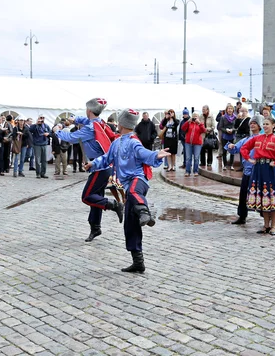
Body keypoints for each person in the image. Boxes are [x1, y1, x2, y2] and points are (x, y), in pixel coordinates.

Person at [85, 109, 170, 273]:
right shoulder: (116, 143)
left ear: (122, 124)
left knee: (132, 192)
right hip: (128, 185)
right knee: (130, 225)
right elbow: (106, 159)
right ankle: (138, 261)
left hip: (138, 181)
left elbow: (143, 153)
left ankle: (146, 212)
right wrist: (93, 164)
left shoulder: (133, 141)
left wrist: (155, 155)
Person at [56, 98, 124, 242]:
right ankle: (95, 228)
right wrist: (75, 120)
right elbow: (85, 121)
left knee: (87, 196)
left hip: (100, 167)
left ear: (89, 110)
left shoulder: (90, 128)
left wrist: (58, 131)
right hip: (102, 166)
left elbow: (71, 138)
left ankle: (114, 205)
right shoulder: (98, 122)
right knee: (95, 197)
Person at [240, 117, 275, 235]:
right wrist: (249, 159)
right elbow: (244, 148)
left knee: (272, 196)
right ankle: (266, 225)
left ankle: (273, 226)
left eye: (267, 124)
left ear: (273, 125)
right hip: (258, 169)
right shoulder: (257, 138)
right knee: (263, 196)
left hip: (270, 169)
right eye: (264, 124)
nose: (265, 126)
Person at [226, 115, 264, 225]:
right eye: (251, 123)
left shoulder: (263, 138)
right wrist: (232, 146)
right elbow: (235, 149)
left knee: (261, 194)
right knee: (243, 195)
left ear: (259, 126)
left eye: (255, 123)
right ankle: (242, 216)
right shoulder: (246, 139)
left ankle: (266, 217)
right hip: (247, 171)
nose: (252, 125)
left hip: (258, 171)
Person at [181, 112, 206, 177]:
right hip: (188, 142)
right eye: (193, 116)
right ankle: (187, 171)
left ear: (198, 117)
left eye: (196, 116)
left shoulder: (200, 123)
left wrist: (199, 123)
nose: (195, 117)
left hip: (197, 143)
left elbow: (204, 130)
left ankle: (195, 171)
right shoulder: (189, 123)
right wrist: (188, 122)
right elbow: (183, 128)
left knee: (196, 157)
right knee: (188, 158)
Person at [29, 114, 51, 179]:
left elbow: (50, 132)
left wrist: (48, 134)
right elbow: (30, 130)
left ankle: (43, 173)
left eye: (43, 118)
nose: (42, 119)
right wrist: (36, 123)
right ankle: (38, 173)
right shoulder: (35, 126)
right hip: (37, 144)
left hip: (44, 144)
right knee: (38, 160)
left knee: (44, 160)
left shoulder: (46, 126)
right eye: (41, 118)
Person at [218, 103, 237, 171]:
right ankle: (225, 165)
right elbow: (220, 127)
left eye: (231, 108)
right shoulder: (223, 117)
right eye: (228, 108)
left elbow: (236, 127)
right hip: (225, 135)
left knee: (232, 151)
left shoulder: (235, 117)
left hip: (232, 135)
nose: (230, 110)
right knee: (224, 151)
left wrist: (233, 130)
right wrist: (226, 130)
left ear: (233, 110)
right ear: (226, 110)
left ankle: (231, 165)